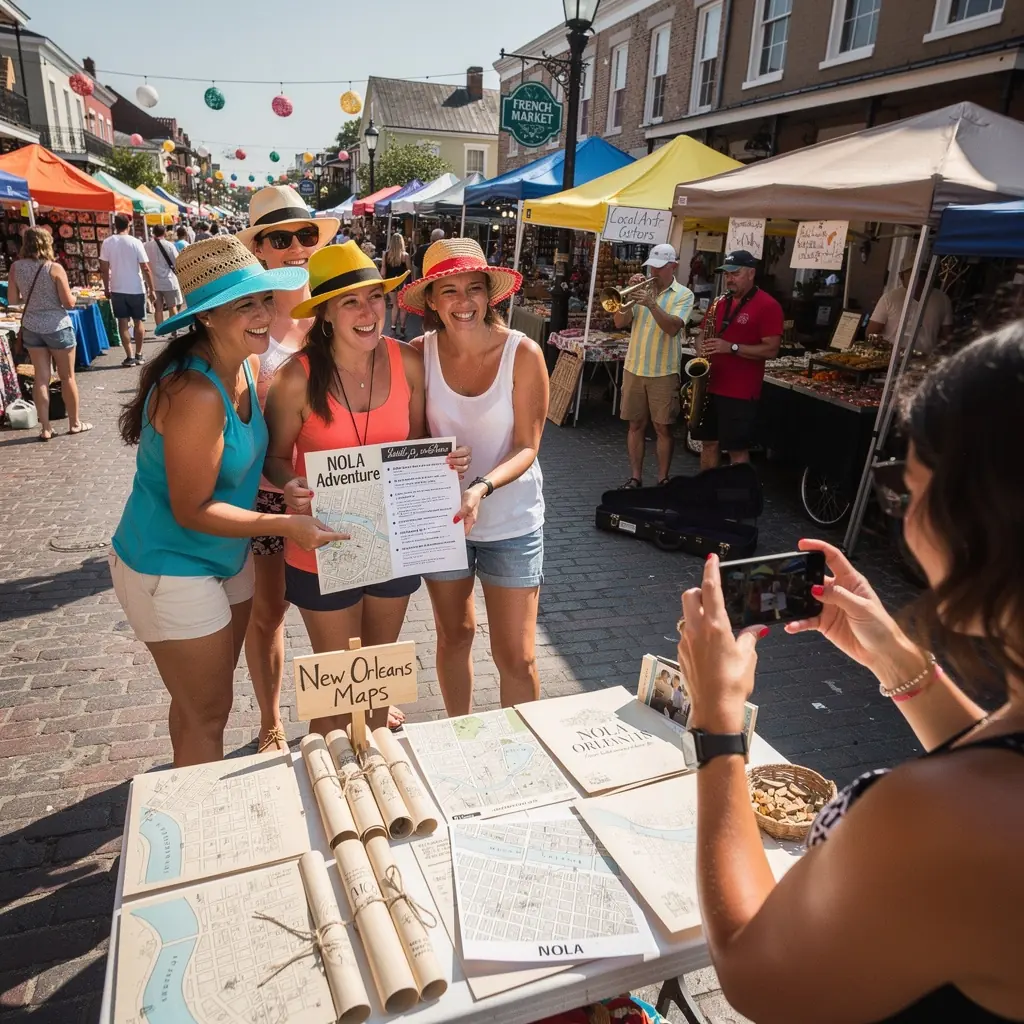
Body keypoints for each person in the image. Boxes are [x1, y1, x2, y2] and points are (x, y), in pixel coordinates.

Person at [675, 323, 1024, 1024]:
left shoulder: (935, 820)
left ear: (978, 516)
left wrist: (717, 724)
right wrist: (895, 660)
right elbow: (995, 760)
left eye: (909, 485)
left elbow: (751, 972)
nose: (901, 510)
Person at [109, 236, 345, 767]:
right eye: (246, 304)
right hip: (167, 562)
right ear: (208, 317)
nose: (264, 313)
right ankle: (198, 833)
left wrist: (284, 485)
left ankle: (182, 791)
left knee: (198, 704)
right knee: (209, 712)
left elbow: (244, 458)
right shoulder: (194, 392)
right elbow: (191, 508)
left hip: (222, 556)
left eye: (264, 299)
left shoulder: (242, 362)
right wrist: (285, 525)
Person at [264, 242, 467, 736]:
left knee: (376, 691)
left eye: (375, 297)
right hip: (322, 546)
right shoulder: (295, 378)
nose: (368, 311)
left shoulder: (408, 363)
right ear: (327, 315)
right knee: (334, 702)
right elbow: (272, 458)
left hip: (391, 544)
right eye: (351, 301)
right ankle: (332, 795)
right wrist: (290, 485)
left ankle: (383, 801)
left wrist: (443, 464)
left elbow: (416, 441)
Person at [400, 238, 548, 716]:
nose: (463, 302)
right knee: (454, 636)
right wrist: (428, 463)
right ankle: (459, 737)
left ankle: (523, 757)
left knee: (517, 656)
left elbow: (528, 445)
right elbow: (415, 436)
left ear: (490, 294)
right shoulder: (418, 353)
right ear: (431, 301)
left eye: (473, 288)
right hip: (444, 523)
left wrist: (481, 486)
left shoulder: (522, 354)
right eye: (449, 290)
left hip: (511, 522)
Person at [235, 184, 340, 752]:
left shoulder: (326, 304)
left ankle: (358, 698)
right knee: (269, 610)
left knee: (345, 598)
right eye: (282, 238)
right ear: (261, 249)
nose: (296, 247)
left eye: (305, 235)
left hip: (338, 487)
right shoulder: (248, 316)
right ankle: (271, 719)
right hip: (268, 495)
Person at [693, 249, 783, 471]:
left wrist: (731, 347)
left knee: (736, 449)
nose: (729, 279)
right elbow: (703, 333)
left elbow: (771, 349)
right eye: (727, 274)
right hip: (711, 386)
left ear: (751, 273)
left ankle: (738, 501)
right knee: (708, 443)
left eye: (735, 273)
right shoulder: (719, 302)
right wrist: (700, 348)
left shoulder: (768, 305)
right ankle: (707, 492)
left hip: (740, 392)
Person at [613, 243, 694, 488]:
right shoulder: (642, 292)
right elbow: (619, 322)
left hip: (663, 371)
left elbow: (672, 328)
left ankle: (662, 480)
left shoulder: (684, 295)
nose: (653, 273)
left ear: (673, 267)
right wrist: (626, 295)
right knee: (635, 425)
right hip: (634, 367)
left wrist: (651, 304)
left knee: (663, 428)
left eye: (659, 268)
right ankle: (635, 477)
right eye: (652, 268)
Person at [8, 227, 89, 440]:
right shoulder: (53, 268)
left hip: (32, 326)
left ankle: (45, 428)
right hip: (57, 326)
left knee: (41, 378)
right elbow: (68, 302)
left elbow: (13, 300)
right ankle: (74, 423)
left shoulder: (16, 267)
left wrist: (34, 302)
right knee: (67, 377)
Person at [100, 214, 155, 368]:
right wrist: (151, 288)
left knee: (122, 322)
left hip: (118, 287)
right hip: (136, 287)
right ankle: (138, 354)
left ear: (114, 225)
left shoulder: (108, 242)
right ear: (129, 225)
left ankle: (129, 356)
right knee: (138, 322)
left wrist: (106, 287)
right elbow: (145, 267)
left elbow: (104, 269)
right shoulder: (136, 242)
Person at [867, 256, 953, 355]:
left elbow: (947, 337)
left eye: (923, 274)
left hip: (923, 361)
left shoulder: (942, 299)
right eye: (913, 274)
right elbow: (871, 332)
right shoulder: (889, 298)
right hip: (890, 359)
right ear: (901, 277)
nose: (920, 278)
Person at [144, 225, 184, 335]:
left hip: (154, 282)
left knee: (158, 307)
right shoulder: (169, 245)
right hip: (169, 281)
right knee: (172, 306)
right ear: (165, 232)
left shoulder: (146, 246)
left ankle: (160, 330)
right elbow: (177, 262)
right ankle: (173, 330)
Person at [383, 232, 412, 338]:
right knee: (403, 306)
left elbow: (383, 271)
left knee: (395, 305)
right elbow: (409, 270)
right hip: (402, 283)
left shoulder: (386, 254)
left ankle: (393, 328)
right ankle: (403, 328)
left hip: (391, 283)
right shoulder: (405, 256)